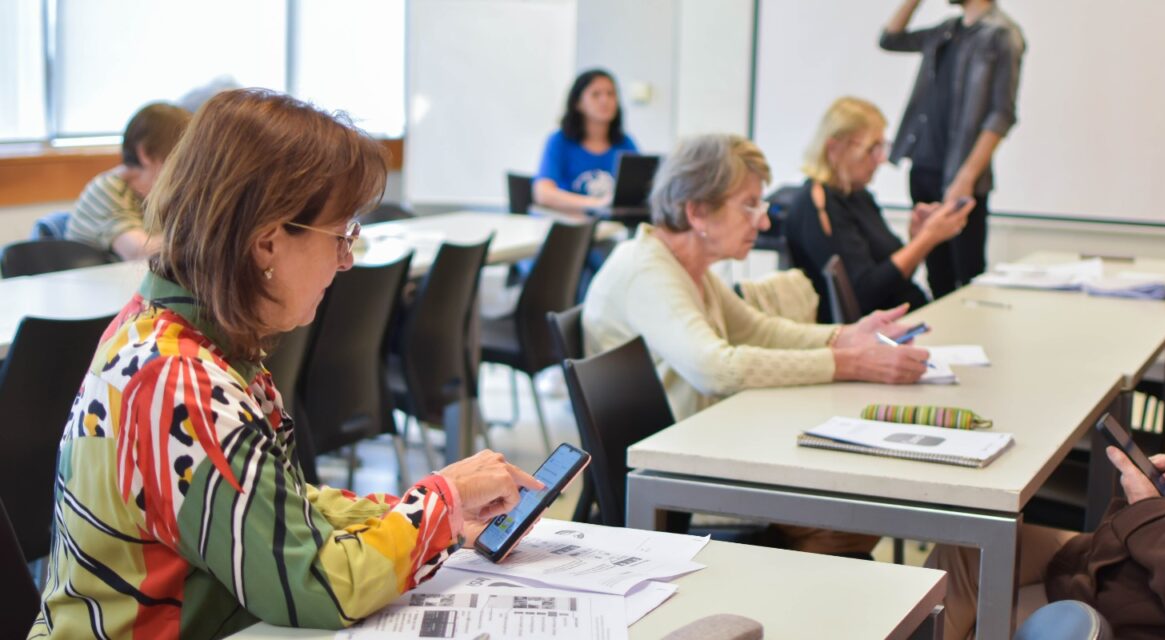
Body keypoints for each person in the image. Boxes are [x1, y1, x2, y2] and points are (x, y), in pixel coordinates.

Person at [30, 89, 542, 639]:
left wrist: (423, 512)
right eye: (340, 235)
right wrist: (438, 502)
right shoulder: (181, 381)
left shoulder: (179, 334)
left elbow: (275, 503)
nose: (347, 261)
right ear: (267, 244)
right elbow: (317, 587)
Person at [929, 212, 1165, 639]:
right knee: (967, 554)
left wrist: (1148, 507)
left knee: (965, 583)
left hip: (1136, 603)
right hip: (1137, 569)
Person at [582, 133, 930, 557]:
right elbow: (717, 369)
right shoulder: (647, 272)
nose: (763, 222)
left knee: (852, 511)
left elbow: (758, 331)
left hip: (697, 449)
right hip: (666, 484)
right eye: (749, 205)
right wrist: (848, 363)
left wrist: (844, 336)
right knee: (844, 523)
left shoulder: (686, 266)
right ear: (697, 212)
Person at [880, 0, 1025, 298]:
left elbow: (1001, 114)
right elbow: (890, 39)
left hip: (961, 179)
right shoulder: (946, 31)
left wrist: (967, 177)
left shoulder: (1002, 35)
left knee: (968, 277)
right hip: (923, 168)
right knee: (938, 277)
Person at [787, 96, 974, 323]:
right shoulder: (818, 205)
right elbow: (865, 294)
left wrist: (918, 236)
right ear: (835, 148)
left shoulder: (859, 196)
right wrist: (926, 239)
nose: (881, 159)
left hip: (907, 318)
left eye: (882, 147)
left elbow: (894, 277)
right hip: (880, 333)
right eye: (871, 149)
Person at [65, 102, 192, 260]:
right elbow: (138, 252)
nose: (187, 166)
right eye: (179, 155)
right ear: (145, 153)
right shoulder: (107, 189)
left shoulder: (165, 194)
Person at [534, 69, 639, 212]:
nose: (605, 100)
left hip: (612, 228)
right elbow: (543, 193)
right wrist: (595, 204)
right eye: (596, 95)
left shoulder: (625, 143)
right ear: (578, 103)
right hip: (570, 225)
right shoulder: (559, 141)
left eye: (611, 94)